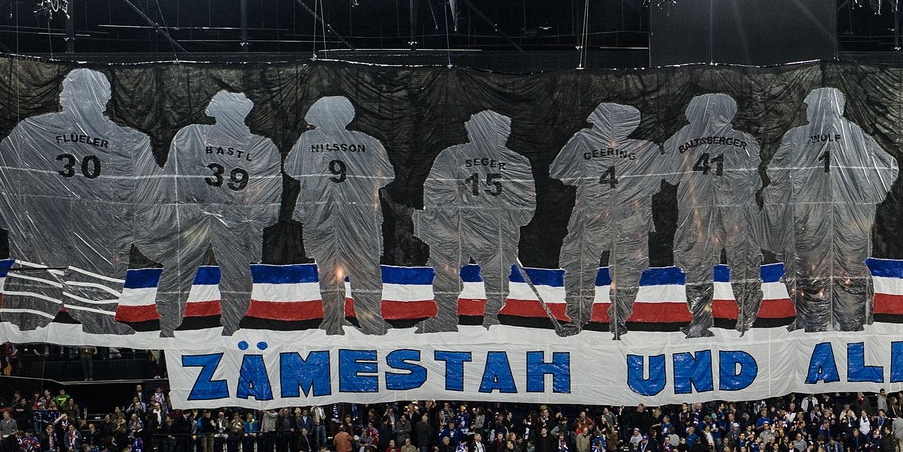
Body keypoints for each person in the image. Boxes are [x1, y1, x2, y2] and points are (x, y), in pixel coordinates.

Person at [0, 68, 154, 335]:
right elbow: (148, 190)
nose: (62, 96)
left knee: (39, 280)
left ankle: (32, 319)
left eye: (68, 90)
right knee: (81, 275)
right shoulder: (130, 140)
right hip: (91, 231)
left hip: (51, 230)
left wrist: (8, 217)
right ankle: (84, 319)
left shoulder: (33, 128)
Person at [146, 90, 281, 336]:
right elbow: (175, 179)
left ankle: (222, 325)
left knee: (229, 275)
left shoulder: (196, 135)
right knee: (185, 271)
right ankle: (172, 324)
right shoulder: (196, 136)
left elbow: (174, 180)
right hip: (204, 218)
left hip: (223, 219)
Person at [763, 87, 897, 332]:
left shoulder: (797, 136)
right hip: (851, 221)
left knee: (809, 273)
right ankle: (851, 324)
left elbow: (775, 172)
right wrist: (866, 197)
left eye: (810, 106)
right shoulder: (856, 134)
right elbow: (889, 167)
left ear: (816, 107)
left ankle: (812, 324)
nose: (809, 111)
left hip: (809, 218)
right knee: (850, 272)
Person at [550, 102, 665, 339]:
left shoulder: (584, 141)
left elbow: (560, 172)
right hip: (628, 218)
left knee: (582, 268)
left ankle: (580, 319)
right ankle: (617, 319)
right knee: (623, 271)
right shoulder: (648, 148)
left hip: (594, 216)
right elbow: (654, 185)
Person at [283, 95, 395, 335]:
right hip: (360, 214)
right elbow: (386, 176)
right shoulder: (370, 142)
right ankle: (371, 321)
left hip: (321, 213)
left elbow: (291, 169)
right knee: (365, 270)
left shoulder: (307, 140)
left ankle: (333, 322)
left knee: (329, 270)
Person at [417, 109, 537, 332]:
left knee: (489, 277)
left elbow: (434, 191)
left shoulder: (452, 155)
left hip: (478, 229)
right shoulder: (517, 161)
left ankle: (490, 318)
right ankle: (453, 318)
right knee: (456, 274)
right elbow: (526, 204)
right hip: (466, 228)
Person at [661, 93, 766, 337]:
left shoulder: (683, 137)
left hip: (700, 211)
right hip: (733, 210)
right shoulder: (744, 139)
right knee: (742, 262)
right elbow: (755, 180)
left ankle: (701, 321)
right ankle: (746, 318)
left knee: (701, 264)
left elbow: (669, 175)